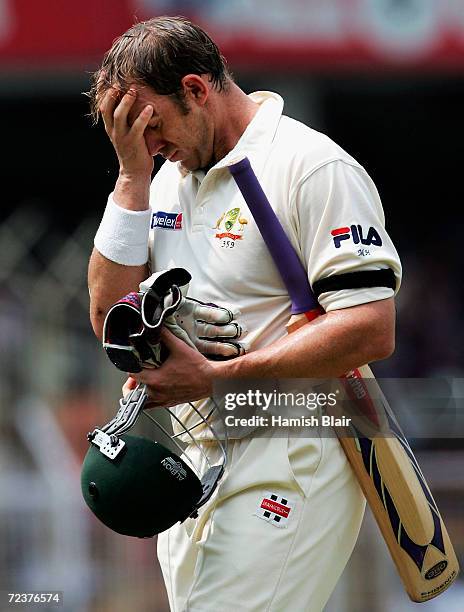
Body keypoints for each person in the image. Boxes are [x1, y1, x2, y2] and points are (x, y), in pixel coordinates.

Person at [87, 16, 401, 612]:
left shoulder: (311, 165)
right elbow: (107, 318)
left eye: (150, 124)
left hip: (294, 439)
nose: (148, 145)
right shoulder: (159, 181)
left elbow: (371, 326)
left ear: (197, 89)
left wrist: (216, 379)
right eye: (127, 132)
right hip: (196, 451)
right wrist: (130, 177)